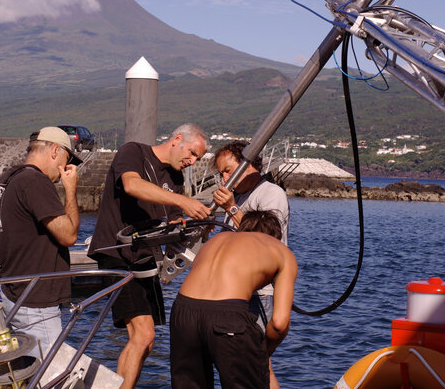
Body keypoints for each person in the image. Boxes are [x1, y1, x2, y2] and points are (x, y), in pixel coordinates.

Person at [88, 123, 211, 388]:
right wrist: (183, 202)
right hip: (117, 252)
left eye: (197, 159)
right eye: (191, 153)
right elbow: (132, 185)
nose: (192, 162)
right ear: (177, 139)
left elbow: (173, 222)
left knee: (147, 339)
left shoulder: (175, 179)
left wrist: (194, 226)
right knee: (142, 335)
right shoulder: (134, 152)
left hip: (146, 258)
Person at [169, 210, 298, 388]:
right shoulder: (281, 251)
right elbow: (279, 323)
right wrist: (264, 351)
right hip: (228, 316)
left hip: (183, 310)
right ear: (275, 235)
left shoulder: (214, 242)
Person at [0, 126, 81, 358]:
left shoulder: (8, 180)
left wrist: (7, 231)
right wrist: (70, 190)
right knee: (49, 371)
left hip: (12, 291)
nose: (65, 169)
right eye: (67, 159)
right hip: (35, 300)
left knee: (27, 368)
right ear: (55, 151)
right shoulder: (35, 181)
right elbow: (69, 235)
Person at [212, 140, 290, 388]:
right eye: (220, 173)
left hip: (260, 291)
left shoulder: (271, 194)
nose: (223, 178)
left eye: (227, 170)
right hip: (237, 290)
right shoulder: (238, 195)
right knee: (258, 364)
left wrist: (231, 207)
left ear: (247, 166)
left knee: (255, 362)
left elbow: (265, 242)